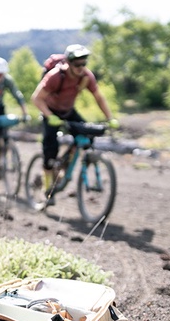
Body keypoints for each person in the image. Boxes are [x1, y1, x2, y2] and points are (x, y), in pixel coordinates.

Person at [30, 44, 119, 206]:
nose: (80, 67)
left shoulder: (86, 77)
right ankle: (48, 187)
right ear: (68, 63)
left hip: (68, 111)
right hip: (50, 111)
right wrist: (50, 116)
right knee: (50, 149)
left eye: (83, 64)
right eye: (77, 64)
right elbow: (36, 98)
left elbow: (98, 97)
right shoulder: (56, 76)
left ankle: (66, 162)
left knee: (86, 134)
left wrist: (109, 118)